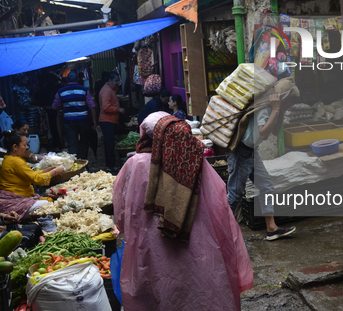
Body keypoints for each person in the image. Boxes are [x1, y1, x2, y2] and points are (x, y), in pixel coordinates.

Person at [113, 111, 253, 310]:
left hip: (152, 248)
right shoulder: (194, 162)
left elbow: (121, 212)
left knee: (161, 292)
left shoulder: (136, 164)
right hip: (199, 248)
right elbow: (220, 206)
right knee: (198, 293)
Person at [226, 80, 299, 241]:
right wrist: (276, 109)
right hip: (241, 152)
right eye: (292, 101)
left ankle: (271, 228)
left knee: (266, 185)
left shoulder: (276, 108)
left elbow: (275, 132)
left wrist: (280, 111)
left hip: (252, 152)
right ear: (285, 97)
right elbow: (264, 133)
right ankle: (221, 232)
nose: (293, 104)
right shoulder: (266, 107)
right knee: (234, 195)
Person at [0, 131, 64, 218]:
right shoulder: (15, 161)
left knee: (48, 200)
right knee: (49, 203)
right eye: (24, 145)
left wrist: (48, 170)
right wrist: (55, 172)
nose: (27, 147)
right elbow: (36, 179)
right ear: (15, 147)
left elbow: (30, 174)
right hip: (14, 201)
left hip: (18, 197)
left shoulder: (9, 159)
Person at [51, 71, 97, 159]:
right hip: (83, 121)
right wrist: (94, 122)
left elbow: (54, 106)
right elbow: (92, 106)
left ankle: (74, 163)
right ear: (77, 79)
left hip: (69, 121)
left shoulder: (61, 91)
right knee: (84, 142)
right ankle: (83, 161)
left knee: (72, 143)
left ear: (67, 80)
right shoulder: (84, 90)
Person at [99, 72, 124, 173]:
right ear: (110, 80)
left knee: (109, 143)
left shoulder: (110, 90)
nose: (118, 82)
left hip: (110, 120)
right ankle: (110, 166)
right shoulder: (107, 91)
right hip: (107, 120)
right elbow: (106, 107)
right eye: (116, 81)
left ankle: (110, 165)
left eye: (118, 80)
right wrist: (118, 109)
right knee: (109, 144)